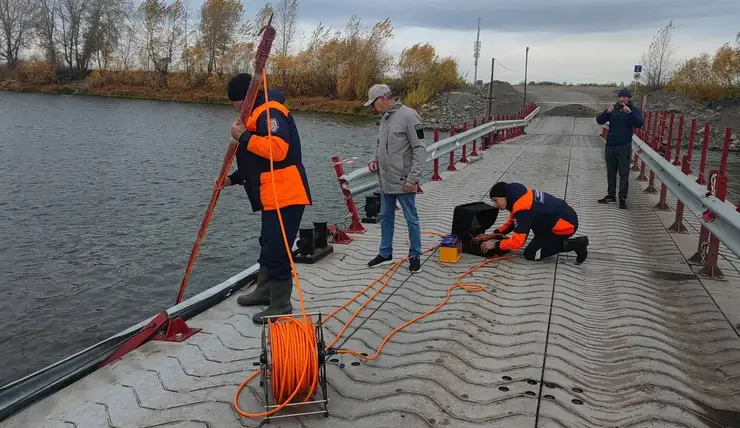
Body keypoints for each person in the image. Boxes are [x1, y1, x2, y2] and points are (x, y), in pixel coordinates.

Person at [218, 72, 312, 324]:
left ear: (242, 98)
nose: (233, 107)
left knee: (278, 249)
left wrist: (243, 137)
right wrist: (233, 180)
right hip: (274, 195)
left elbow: (278, 151)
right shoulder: (257, 114)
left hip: (287, 194)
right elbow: (258, 163)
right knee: (267, 242)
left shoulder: (270, 112)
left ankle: (281, 303)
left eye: (233, 102)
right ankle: (263, 290)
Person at [364, 83, 426, 273]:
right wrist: (374, 159)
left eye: (373, 104)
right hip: (386, 180)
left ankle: (415, 254)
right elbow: (380, 145)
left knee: (411, 218)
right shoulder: (385, 119)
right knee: (386, 217)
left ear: (382, 99)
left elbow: (420, 149)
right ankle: (385, 253)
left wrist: (412, 179)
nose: (373, 109)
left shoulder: (409, 116)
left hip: (404, 181)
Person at [480, 181, 589, 264]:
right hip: (557, 218)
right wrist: (494, 234)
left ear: (505, 196)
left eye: (496, 200)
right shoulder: (519, 196)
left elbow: (518, 242)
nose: (495, 205)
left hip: (565, 225)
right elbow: (513, 222)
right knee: (536, 233)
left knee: (531, 253)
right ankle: (548, 240)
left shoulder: (523, 209)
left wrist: (495, 245)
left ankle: (576, 244)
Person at [595, 87, 644, 209]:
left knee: (624, 173)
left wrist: (629, 113)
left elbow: (639, 123)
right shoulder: (613, 109)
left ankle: (622, 198)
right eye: (620, 97)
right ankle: (611, 195)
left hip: (624, 146)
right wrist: (607, 112)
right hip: (610, 145)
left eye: (624, 97)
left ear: (628, 98)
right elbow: (599, 120)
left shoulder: (633, 110)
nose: (622, 99)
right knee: (611, 172)